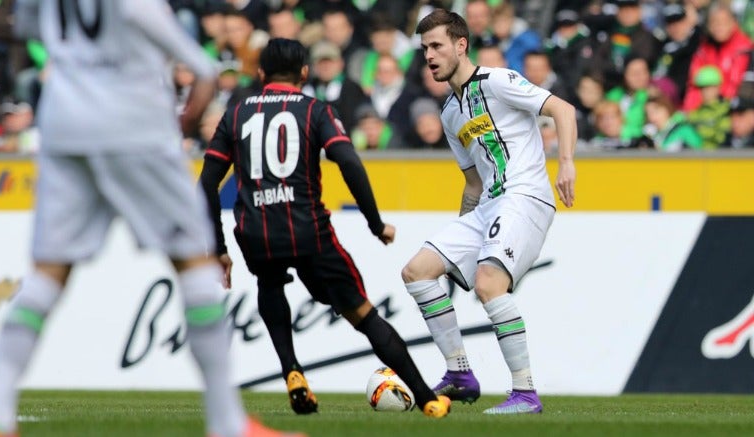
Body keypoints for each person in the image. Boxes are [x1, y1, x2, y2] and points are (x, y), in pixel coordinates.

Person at [0, 2, 303, 437]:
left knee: (47, 273)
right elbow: (203, 71)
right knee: (193, 261)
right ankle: (228, 424)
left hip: (64, 125)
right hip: (133, 126)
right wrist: (183, 124)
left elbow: (18, 25)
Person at [199, 38, 451, 418]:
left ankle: (292, 371)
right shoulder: (315, 109)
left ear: (262, 74)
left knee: (270, 283)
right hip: (308, 228)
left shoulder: (235, 113)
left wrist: (217, 247)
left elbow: (206, 183)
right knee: (362, 314)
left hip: (255, 230)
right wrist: (374, 222)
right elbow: (348, 161)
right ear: (304, 73)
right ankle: (428, 398)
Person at [404, 9, 576, 415]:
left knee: (488, 283)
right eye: (424, 48)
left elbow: (563, 110)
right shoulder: (449, 112)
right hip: (487, 206)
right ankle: (460, 373)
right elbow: (473, 184)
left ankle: (525, 393)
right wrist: (462, 231)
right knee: (418, 271)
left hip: (525, 196)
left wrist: (566, 162)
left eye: (436, 46)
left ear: (461, 45)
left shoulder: (499, 80)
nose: (429, 55)